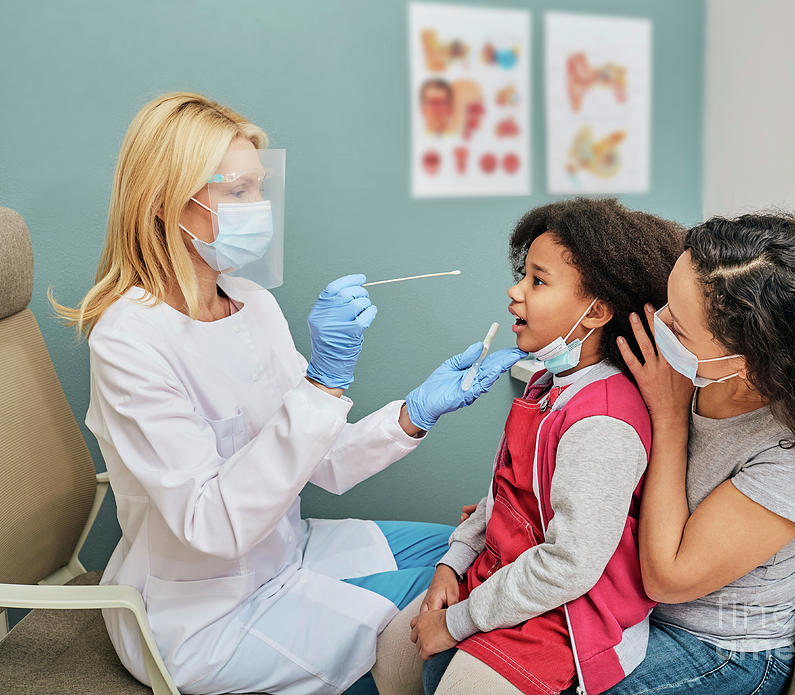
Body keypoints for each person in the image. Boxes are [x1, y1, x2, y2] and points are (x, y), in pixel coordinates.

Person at [51, 92, 524, 695]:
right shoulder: (129, 340)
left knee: (462, 549)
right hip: (205, 611)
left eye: (259, 189)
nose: (259, 209)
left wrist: (415, 412)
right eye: (237, 191)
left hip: (288, 551)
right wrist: (322, 383)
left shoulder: (253, 303)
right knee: (443, 616)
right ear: (165, 200)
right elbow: (212, 525)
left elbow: (318, 460)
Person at [371, 198, 684, 695]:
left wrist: (456, 624)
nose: (514, 292)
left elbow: (569, 566)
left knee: (454, 686)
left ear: (596, 311)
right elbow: (501, 493)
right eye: (524, 275)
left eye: (538, 281)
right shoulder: (546, 383)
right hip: (508, 572)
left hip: (567, 610)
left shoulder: (603, 420)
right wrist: (453, 564)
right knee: (392, 655)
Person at [609, 213, 795, 694]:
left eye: (677, 327)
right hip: (629, 603)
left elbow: (669, 579)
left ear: (748, 362)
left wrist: (670, 416)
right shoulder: (699, 371)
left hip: (720, 648)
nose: (656, 324)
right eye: (667, 302)